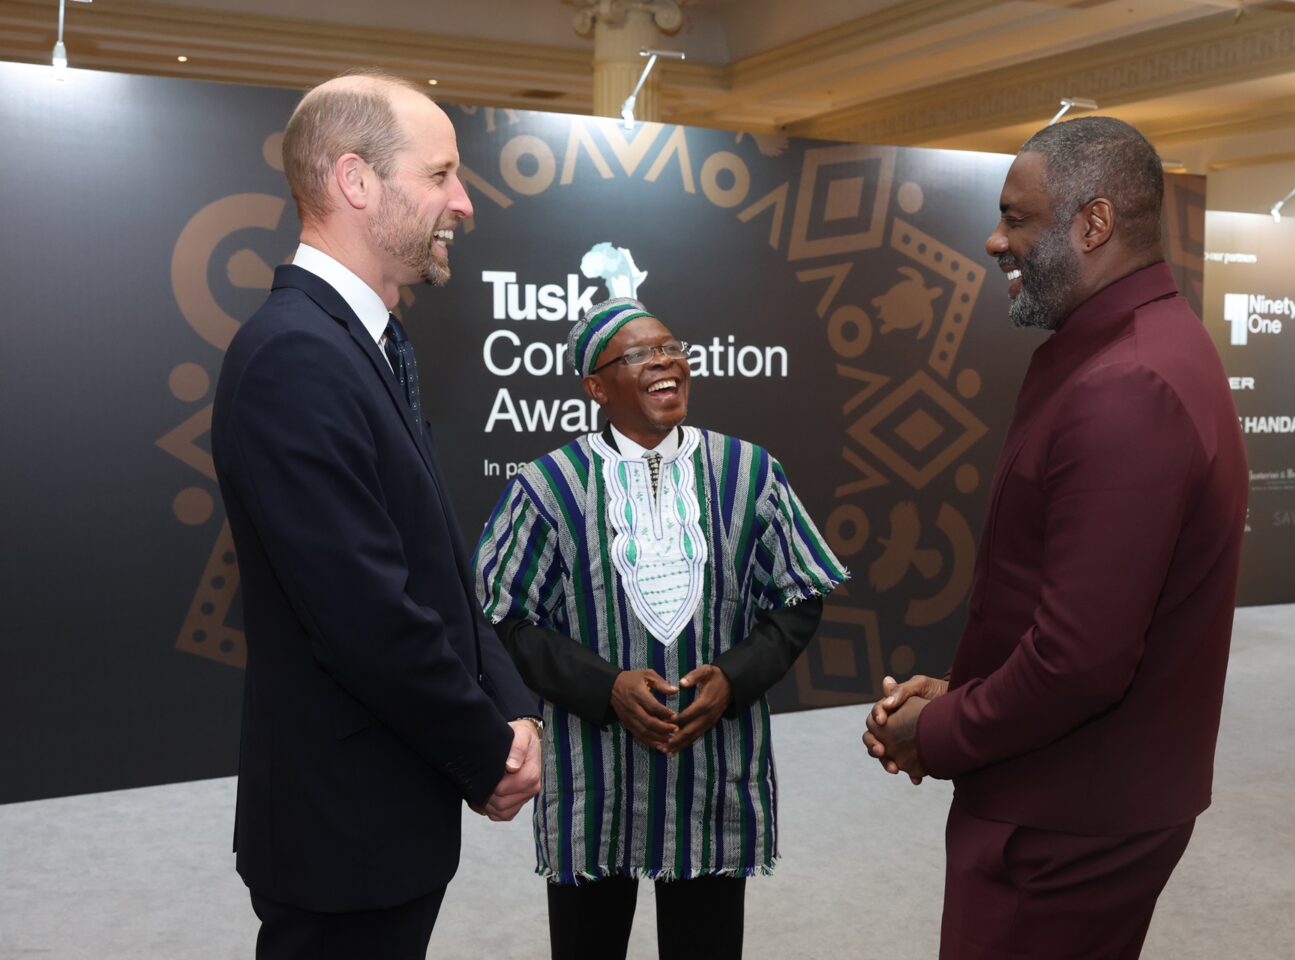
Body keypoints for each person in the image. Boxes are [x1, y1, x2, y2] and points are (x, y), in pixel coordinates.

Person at [863, 116, 1248, 959]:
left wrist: (934, 731)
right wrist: (961, 690)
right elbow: (1068, 601)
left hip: (1066, 819)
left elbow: (1079, 660)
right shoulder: (1125, 349)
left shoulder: (1127, 383)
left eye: (1017, 217)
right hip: (1078, 793)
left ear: (1094, 224)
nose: (996, 240)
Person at [211, 71, 541, 960]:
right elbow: (365, 615)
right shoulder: (295, 357)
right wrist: (487, 753)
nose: (464, 203)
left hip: (382, 812)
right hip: (339, 827)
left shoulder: (368, 342)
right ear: (356, 181)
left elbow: (431, 559)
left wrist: (513, 707)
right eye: (440, 176)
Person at [474, 297, 848, 960]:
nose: (666, 362)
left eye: (672, 348)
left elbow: (799, 597)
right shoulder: (546, 486)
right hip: (594, 773)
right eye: (640, 354)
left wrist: (733, 679)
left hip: (712, 765)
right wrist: (607, 687)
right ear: (596, 386)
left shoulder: (749, 473)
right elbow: (506, 617)